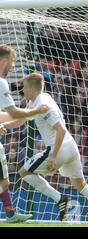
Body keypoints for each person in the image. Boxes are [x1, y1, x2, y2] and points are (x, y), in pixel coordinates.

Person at [0, 72, 88, 225]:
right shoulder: (38, 100)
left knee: (24, 172)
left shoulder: (44, 104)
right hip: (71, 148)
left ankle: (59, 198)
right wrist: (3, 125)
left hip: (59, 149)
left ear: (33, 89)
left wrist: (54, 156)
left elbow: (61, 130)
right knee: (82, 185)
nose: (23, 91)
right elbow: (20, 121)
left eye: (25, 88)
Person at [0, 45, 50, 223]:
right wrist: (33, 111)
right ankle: (11, 214)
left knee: (4, 181)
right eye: (12, 62)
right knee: (3, 181)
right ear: (5, 61)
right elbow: (13, 112)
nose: (13, 66)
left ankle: (11, 214)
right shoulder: (1, 82)